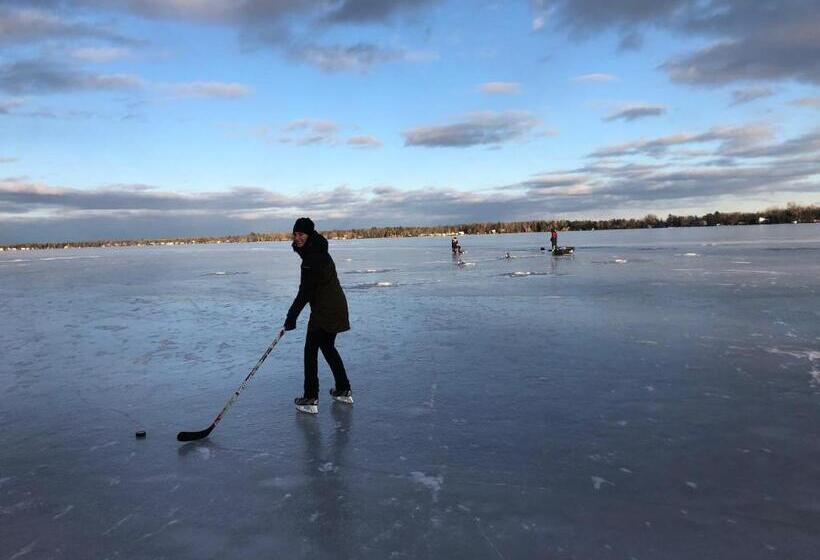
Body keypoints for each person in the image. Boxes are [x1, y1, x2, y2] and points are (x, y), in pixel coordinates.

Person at [284, 217, 353, 414]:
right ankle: (343, 388)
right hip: (335, 306)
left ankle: (310, 397)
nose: (297, 238)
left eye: (301, 234)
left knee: (310, 350)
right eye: (295, 234)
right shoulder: (317, 251)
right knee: (328, 347)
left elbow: (305, 291)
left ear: (309, 235)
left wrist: (291, 316)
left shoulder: (312, 258)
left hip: (326, 310)